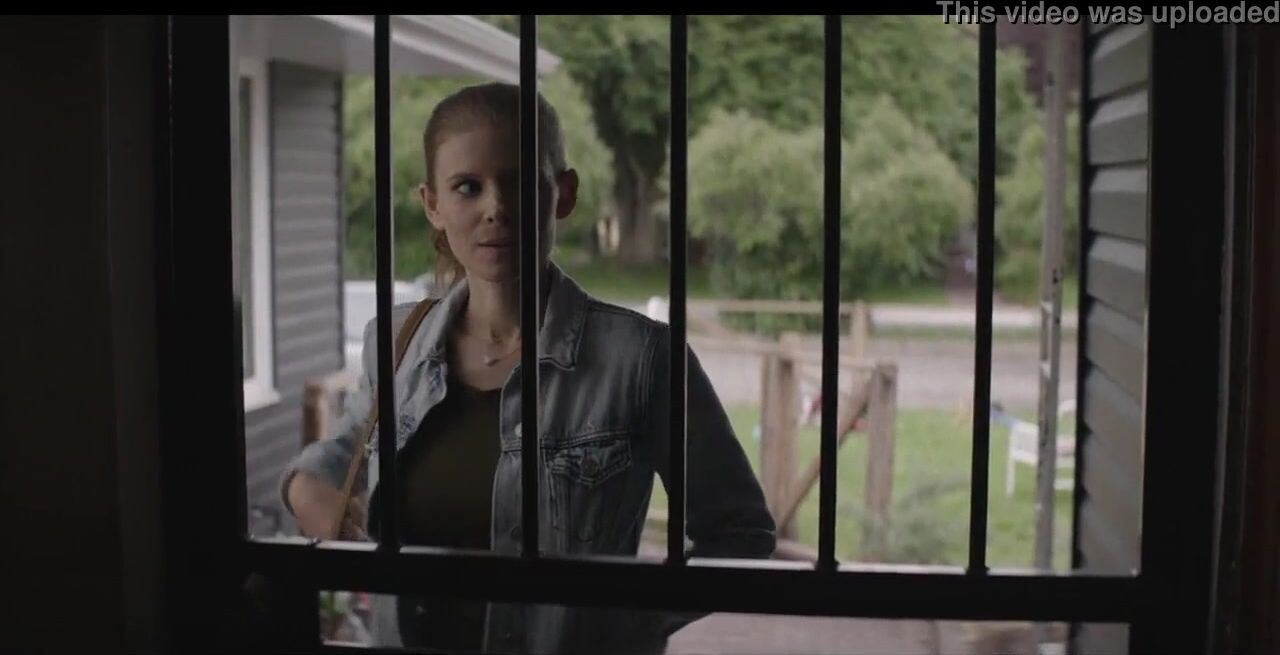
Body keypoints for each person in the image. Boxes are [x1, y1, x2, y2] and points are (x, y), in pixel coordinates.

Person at [279, 82, 775, 654]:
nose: (496, 208)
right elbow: (342, 452)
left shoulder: (643, 359)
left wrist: (627, 621)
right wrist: (305, 487)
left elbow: (740, 532)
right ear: (433, 204)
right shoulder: (395, 344)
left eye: (519, 183)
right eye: (468, 187)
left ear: (563, 193)